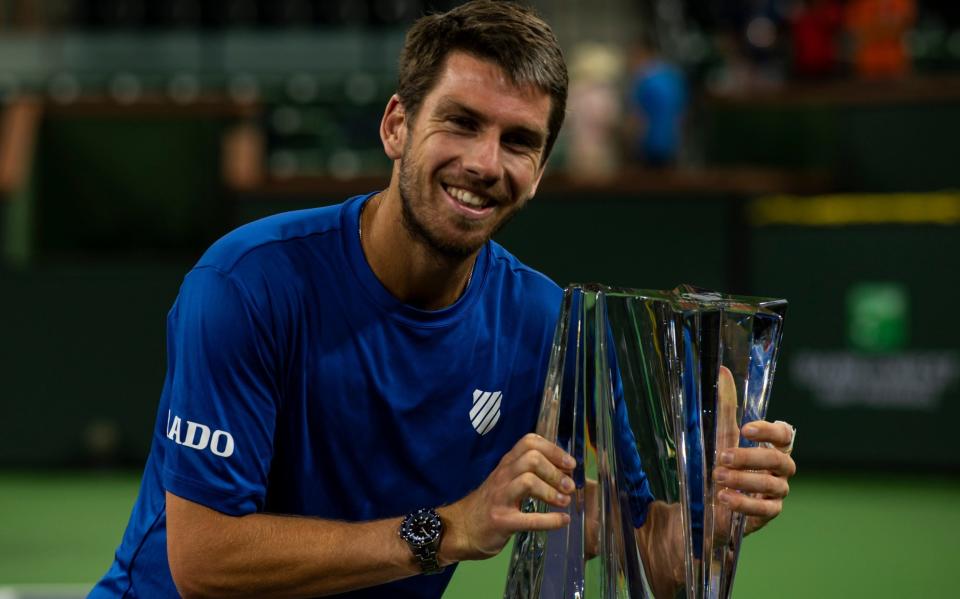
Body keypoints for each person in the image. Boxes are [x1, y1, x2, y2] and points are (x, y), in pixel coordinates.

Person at [91, 3, 796, 598]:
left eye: (517, 141)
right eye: (460, 122)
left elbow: (653, 559)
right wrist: (448, 528)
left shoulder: (546, 323)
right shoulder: (248, 283)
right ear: (397, 125)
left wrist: (713, 516)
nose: (485, 162)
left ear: (540, 172)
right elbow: (204, 558)